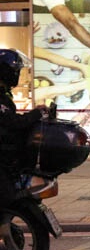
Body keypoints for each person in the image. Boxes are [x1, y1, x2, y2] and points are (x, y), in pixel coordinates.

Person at [0, 50, 49, 210]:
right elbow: (12, 122)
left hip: (6, 156)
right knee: (5, 194)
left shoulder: (4, 94)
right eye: (16, 71)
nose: (18, 75)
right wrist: (35, 114)